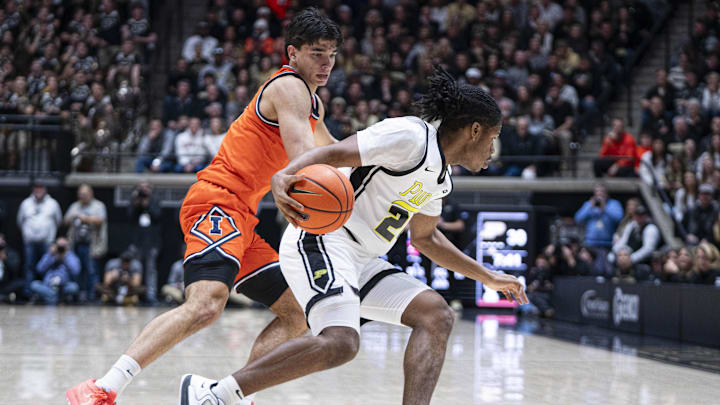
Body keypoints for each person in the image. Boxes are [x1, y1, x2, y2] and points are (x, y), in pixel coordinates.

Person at [179, 66, 528, 405]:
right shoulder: (410, 136)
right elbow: (335, 151)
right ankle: (215, 395)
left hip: (361, 259)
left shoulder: (441, 180)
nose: (493, 151)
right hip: (323, 239)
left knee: (436, 315)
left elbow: (426, 238)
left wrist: (489, 277)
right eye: (493, 140)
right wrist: (287, 174)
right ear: (475, 130)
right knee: (342, 342)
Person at [66, 8, 342, 404]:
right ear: (293, 53)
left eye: (332, 54)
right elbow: (307, 157)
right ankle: (103, 387)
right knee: (207, 303)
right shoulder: (288, 88)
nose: (326, 63)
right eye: (318, 52)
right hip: (217, 200)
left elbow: (335, 152)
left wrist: (381, 159)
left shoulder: (314, 103)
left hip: (242, 215)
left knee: (299, 311)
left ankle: (225, 395)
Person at [16, 184, 62, 299]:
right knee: (29, 267)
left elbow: (59, 221)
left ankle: (45, 294)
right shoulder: (26, 203)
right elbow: (19, 221)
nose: (38, 191)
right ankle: (28, 294)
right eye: (36, 188)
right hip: (30, 242)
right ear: (33, 190)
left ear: (45, 190)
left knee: (47, 267)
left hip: (47, 242)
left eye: (41, 188)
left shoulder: (53, 203)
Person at [64, 184, 107, 302]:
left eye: (84, 194)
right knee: (77, 270)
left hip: (91, 245)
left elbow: (100, 220)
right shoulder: (75, 206)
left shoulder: (98, 206)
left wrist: (86, 219)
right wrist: (73, 217)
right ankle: (78, 296)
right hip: (77, 244)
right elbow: (65, 220)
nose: (82, 197)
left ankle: (93, 296)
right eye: (80, 195)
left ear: (91, 194)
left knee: (92, 271)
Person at [574, 183, 623, 276]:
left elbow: (619, 218)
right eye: (597, 192)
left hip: (607, 245)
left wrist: (605, 208)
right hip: (591, 245)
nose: (600, 194)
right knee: (593, 270)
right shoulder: (588, 204)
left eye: (602, 192)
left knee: (608, 271)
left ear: (607, 193)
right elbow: (578, 218)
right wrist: (589, 207)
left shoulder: (613, 204)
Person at [127, 182, 162, 303]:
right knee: (136, 268)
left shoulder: (155, 201)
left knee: (151, 269)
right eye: (141, 188)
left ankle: (150, 295)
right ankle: (136, 294)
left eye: (146, 187)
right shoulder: (135, 201)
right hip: (137, 242)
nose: (144, 190)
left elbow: (158, 216)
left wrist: (147, 205)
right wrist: (136, 203)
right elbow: (130, 216)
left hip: (151, 242)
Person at [30, 237, 80, 304]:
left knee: (74, 287)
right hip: (47, 285)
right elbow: (39, 269)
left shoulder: (70, 256)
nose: (60, 249)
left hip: (63, 287)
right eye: (59, 246)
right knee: (34, 285)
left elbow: (76, 271)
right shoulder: (50, 255)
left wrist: (66, 257)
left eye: (63, 246)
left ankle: (51, 297)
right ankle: (55, 297)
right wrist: (50, 255)